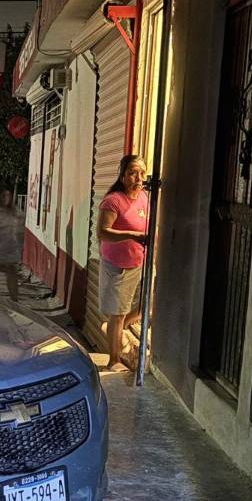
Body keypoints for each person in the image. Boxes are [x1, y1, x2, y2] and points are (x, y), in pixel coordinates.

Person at [97, 154, 150, 372]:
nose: (138, 178)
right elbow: (102, 232)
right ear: (122, 176)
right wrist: (132, 235)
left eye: (142, 173)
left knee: (147, 305)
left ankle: (115, 329)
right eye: (132, 173)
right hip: (118, 265)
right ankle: (114, 359)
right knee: (117, 313)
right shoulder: (114, 201)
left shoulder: (145, 197)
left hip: (141, 260)